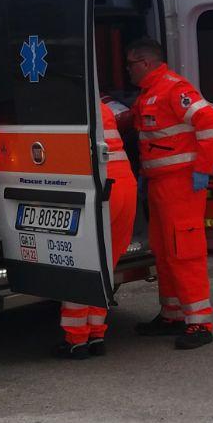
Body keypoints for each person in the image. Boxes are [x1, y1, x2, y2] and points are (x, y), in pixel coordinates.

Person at [124, 38, 213, 350]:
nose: (127, 70)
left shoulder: (173, 89)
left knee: (185, 252)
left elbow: (212, 124)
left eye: (129, 64)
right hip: (159, 185)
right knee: (164, 253)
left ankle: (199, 323)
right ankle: (172, 314)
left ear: (144, 63)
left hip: (181, 186)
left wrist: (202, 170)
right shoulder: (148, 95)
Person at [56, 98, 138, 359]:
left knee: (79, 265)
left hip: (98, 187)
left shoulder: (67, 107)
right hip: (124, 183)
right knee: (104, 266)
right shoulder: (103, 107)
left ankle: (76, 340)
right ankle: (96, 335)